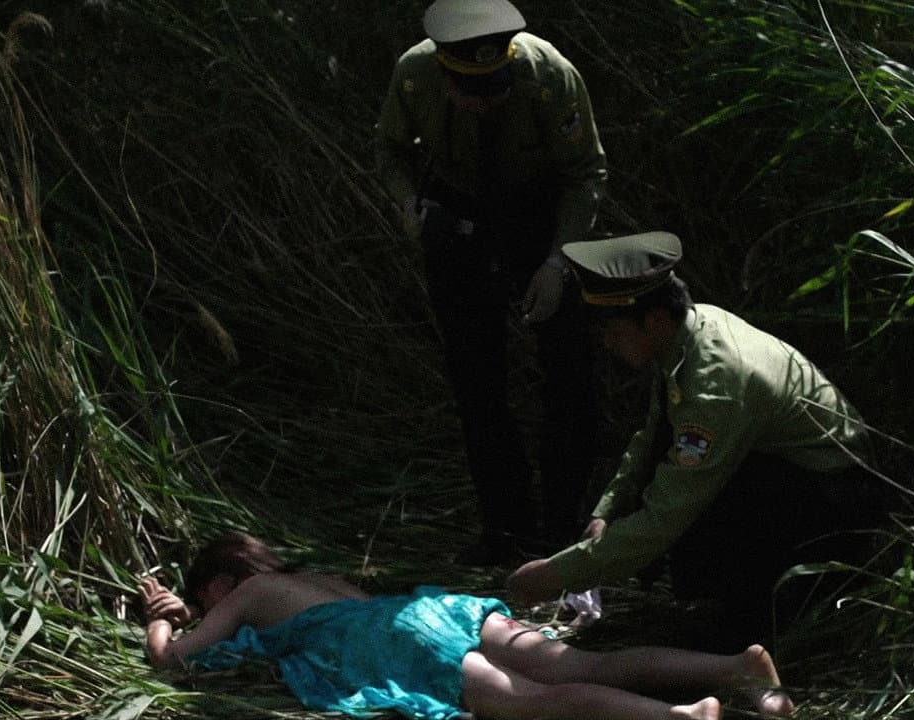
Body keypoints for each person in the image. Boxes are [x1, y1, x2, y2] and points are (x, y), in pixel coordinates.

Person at [507, 232, 876, 648]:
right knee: (672, 474)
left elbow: (664, 517)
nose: (607, 344)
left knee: (693, 502)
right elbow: (653, 435)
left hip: (830, 501)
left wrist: (558, 573)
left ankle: (762, 626)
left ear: (654, 320)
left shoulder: (714, 387)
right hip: (789, 472)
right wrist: (607, 511)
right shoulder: (690, 331)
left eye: (613, 331)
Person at [375, 0, 607, 564]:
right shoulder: (415, 74)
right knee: (476, 379)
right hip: (456, 217)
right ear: (444, 70)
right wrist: (407, 205)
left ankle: (565, 530)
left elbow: (585, 174)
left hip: (539, 216)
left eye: (495, 89)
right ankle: (505, 529)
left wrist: (557, 262)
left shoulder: (551, 76)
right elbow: (389, 150)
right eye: (470, 92)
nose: (484, 103)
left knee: (569, 376)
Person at [138, 532, 795, 720]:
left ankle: (680, 717)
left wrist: (161, 619)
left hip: (400, 643)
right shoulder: (314, 579)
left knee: (534, 703)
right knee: (577, 665)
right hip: (432, 611)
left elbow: (173, 661)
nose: (204, 605)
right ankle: (734, 668)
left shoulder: (251, 593)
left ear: (222, 577)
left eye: (202, 593)